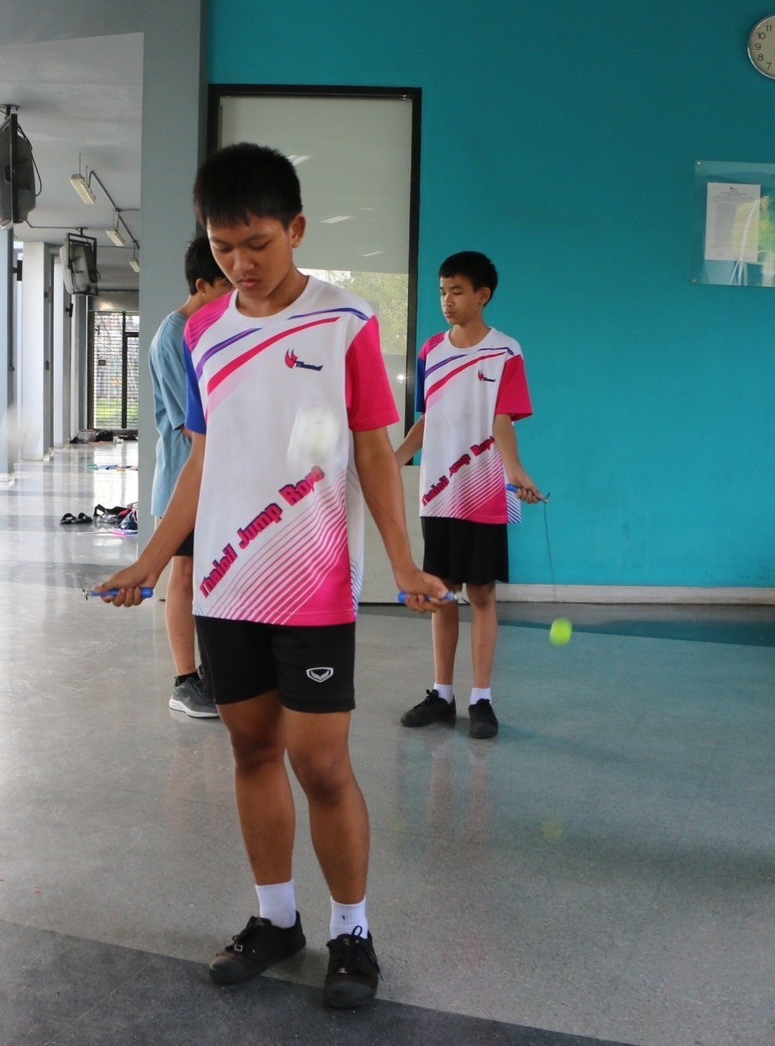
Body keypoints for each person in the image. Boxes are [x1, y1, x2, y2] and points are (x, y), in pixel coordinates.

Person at [96, 142, 449, 1008]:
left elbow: (373, 448)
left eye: (256, 243)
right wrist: (152, 558)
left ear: (296, 229)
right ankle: (276, 916)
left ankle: (352, 931)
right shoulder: (201, 332)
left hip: (314, 583)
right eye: (223, 248)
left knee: (321, 764)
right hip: (225, 582)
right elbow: (202, 458)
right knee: (251, 750)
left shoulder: (346, 321)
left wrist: (404, 560)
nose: (240, 264)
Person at [394, 251, 541, 739]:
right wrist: (394, 459)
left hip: (485, 491)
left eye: (457, 291)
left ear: (483, 295)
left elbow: (503, 420)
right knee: (441, 593)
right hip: (438, 492)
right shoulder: (431, 351)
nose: (447, 300)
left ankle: (481, 699)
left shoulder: (506, 352)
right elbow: (428, 417)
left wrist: (514, 469)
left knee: (481, 593)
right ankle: (442, 693)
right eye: (442, 291)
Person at [147, 234, 231, 718]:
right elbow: (192, 423)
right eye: (226, 286)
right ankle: (184, 682)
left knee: (208, 574)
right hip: (185, 478)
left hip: (211, 480)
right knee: (183, 574)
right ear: (202, 285)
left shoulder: (205, 332)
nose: (234, 296)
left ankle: (211, 672)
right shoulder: (173, 336)